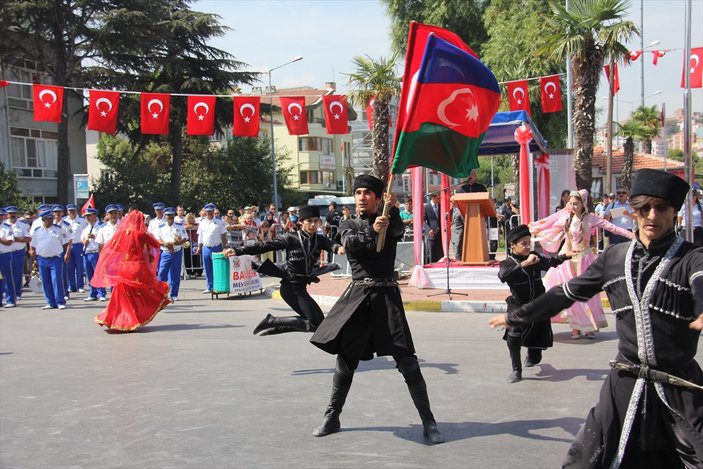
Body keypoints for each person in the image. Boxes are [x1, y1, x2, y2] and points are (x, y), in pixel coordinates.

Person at [489, 169, 703, 468]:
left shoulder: (692, 256)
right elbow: (564, 294)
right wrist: (518, 317)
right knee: (589, 458)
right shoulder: (614, 259)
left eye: (662, 208)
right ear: (633, 212)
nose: (652, 215)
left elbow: (700, 278)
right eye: (644, 208)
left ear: (675, 213)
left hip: (679, 385)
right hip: (626, 381)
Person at [310, 174, 444, 445]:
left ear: (378, 197)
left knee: (408, 363)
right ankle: (332, 416)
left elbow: (395, 231)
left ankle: (429, 422)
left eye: (368, 192)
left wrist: (391, 213)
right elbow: (350, 245)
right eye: (358, 192)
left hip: (387, 297)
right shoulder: (347, 223)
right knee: (346, 363)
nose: (362, 197)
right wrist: (372, 231)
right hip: (358, 297)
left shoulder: (389, 217)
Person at [531, 189, 634, 338]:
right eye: (571, 203)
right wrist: (534, 228)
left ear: (583, 204)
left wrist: (630, 234)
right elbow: (549, 225)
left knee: (585, 292)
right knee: (565, 291)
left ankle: (588, 326)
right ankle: (575, 326)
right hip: (566, 259)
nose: (572, 206)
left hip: (584, 258)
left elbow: (611, 227)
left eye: (575, 204)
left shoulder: (591, 219)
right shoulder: (566, 219)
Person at [227, 205, 345, 335]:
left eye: (316, 221)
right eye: (309, 221)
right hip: (290, 288)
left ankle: (276, 326)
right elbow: (265, 246)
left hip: (301, 287)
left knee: (319, 324)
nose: (313, 224)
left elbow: (331, 244)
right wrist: (238, 250)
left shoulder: (320, 239)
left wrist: (338, 248)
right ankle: (273, 321)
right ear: (300, 222)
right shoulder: (291, 237)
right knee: (315, 323)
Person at [498, 225, 571, 383]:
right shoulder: (507, 263)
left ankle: (533, 353)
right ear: (512, 245)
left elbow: (551, 262)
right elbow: (503, 275)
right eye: (523, 243)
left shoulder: (535, 256)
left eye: (528, 242)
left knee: (536, 353)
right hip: (518, 304)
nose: (527, 246)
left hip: (538, 303)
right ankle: (516, 370)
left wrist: (567, 255)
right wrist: (525, 264)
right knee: (514, 334)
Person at [92, 209, 169, 331]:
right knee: (140, 293)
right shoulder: (141, 234)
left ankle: (116, 319)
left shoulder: (121, 233)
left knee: (122, 295)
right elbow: (155, 244)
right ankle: (133, 319)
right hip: (138, 268)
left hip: (123, 268)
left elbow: (111, 247)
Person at [29, 209, 70, 310]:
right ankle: (50, 302)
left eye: (51, 218)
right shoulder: (37, 231)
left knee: (56, 280)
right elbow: (33, 245)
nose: (51, 221)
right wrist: (32, 253)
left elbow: (66, 243)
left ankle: (60, 301)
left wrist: (64, 254)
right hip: (42, 258)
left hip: (55, 258)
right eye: (48, 219)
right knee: (45, 281)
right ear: (43, 220)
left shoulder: (59, 229)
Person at [155, 207, 188, 302]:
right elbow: (157, 239)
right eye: (168, 215)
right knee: (162, 274)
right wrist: (165, 244)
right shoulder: (161, 227)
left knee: (175, 274)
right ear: (164, 216)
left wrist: (174, 244)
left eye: (172, 215)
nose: (170, 217)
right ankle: (161, 294)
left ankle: (174, 294)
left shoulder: (179, 225)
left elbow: (185, 237)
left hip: (176, 252)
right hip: (165, 252)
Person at [195, 203, 227, 293]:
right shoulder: (202, 223)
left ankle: (218, 286)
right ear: (205, 212)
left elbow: (223, 235)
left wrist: (224, 247)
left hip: (216, 247)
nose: (209, 213)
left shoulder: (219, 222)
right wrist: (199, 247)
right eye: (208, 211)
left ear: (213, 211)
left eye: (211, 211)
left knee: (217, 268)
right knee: (207, 268)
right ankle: (210, 287)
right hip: (206, 247)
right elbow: (200, 236)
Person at [5, 206, 31, 300]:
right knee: (6, 273)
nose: (12, 215)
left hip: (18, 251)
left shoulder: (23, 225)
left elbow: (28, 238)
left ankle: (17, 292)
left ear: (17, 214)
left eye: (14, 213)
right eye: (10, 213)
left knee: (17, 273)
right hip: (5, 252)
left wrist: (15, 239)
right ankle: (8, 293)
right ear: (7, 215)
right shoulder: (3, 225)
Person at [80, 208, 106, 302]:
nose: (87, 218)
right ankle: (93, 293)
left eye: (89, 215)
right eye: (86, 216)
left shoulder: (100, 227)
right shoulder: (86, 228)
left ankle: (102, 293)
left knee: (98, 273)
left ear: (94, 216)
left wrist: (94, 237)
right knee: (89, 274)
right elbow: (82, 238)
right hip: (87, 252)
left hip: (96, 252)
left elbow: (102, 239)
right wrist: (84, 241)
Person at [64, 204, 88, 293]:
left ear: (76, 211)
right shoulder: (64, 220)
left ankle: (80, 286)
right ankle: (71, 286)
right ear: (67, 211)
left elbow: (86, 232)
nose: (72, 212)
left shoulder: (82, 221)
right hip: (68, 246)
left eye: (73, 210)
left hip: (79, 245)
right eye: (70, 211)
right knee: (69, 267)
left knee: (79, 266)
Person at [0, 209, 17, 308]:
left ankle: (10, 300)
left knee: (7, 278)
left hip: (4, 255)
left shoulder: (7, 228)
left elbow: (10, 241)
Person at [423, 193, 443, 263]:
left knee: (440, 254)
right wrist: (429, 229)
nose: (439, 200)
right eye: (438, 198)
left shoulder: (441, 206)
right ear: (433, 198)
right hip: (431, 234)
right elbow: (423, 220)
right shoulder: (427, 207)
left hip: (440, 234)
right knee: (432, 253)